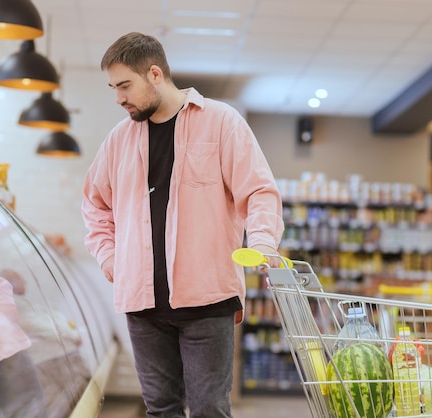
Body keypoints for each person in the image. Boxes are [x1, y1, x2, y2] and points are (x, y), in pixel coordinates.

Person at [81, 32, 284, 418]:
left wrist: (262, 242)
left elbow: (259, 190)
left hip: (208, 301)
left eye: (125, 85)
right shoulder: (117, 141)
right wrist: (110, 258)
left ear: (154, 74)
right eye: (113, 88)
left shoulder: (222, 122)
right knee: (160, 409)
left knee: (209, 409)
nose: (119, 98)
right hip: (142, 303)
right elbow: (94, 205)